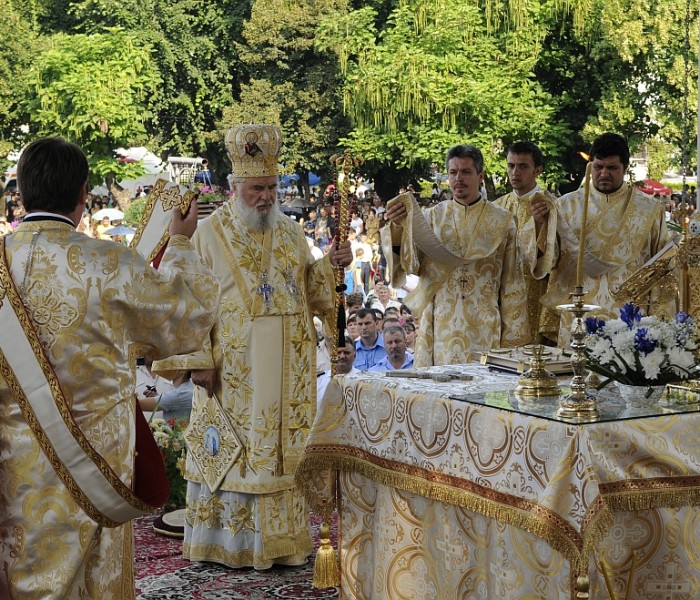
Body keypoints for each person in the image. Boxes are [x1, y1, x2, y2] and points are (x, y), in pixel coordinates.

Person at [0, 137, 220, 599]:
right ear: (84, 194)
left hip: (9, 472)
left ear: (20, 191)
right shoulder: (108, 264)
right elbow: (186, 321)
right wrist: (178, 243)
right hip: (95, 468)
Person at [155, 124, 353, 571]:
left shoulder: (290, 233)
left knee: (283, 453)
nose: (265, 196)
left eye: (271, 187)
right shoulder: (207, 233)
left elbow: (309, 289)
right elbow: (187, 297)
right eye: (256, 188)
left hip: (289, 370)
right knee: (237, 452)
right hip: (233, 370)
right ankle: (231, 544)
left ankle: (283, 542)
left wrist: (330, 267)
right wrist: (197, 361)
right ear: (234, 187)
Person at [384, 143, 528, 367]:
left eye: (466, 172)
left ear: (480, 176)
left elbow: (512, 283)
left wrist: (512, 343)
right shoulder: (431, 218)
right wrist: (398, 228)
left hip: (485, 325)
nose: (459, 178)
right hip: (441, 325)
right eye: (453, 172)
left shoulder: (502, 220)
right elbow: (411, 266)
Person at [541, 132, 674, 345]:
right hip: (579, 312)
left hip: (629, 314)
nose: (604, 173)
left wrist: (658, 318)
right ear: (590, 166)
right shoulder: (566, 206)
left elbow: (661, 267)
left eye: (612, 168)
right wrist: (540, 226)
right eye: (598, 167)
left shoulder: (648, 209)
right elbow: (550, 260)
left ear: (625, 168)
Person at [495, 141, 557, 343]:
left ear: (537, 170)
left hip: (535, 295)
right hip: (501, 299)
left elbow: (555, 259)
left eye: (523, 166)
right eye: (511, 166)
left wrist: (540, 226)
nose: (515, 172)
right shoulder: (496, 208)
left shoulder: (553, 207)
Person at [316, 336, 358, 406]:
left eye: (346, 353)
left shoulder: (363, 379)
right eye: (338, 352)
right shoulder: (319, 381)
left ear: (355, 355)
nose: (342, 356)